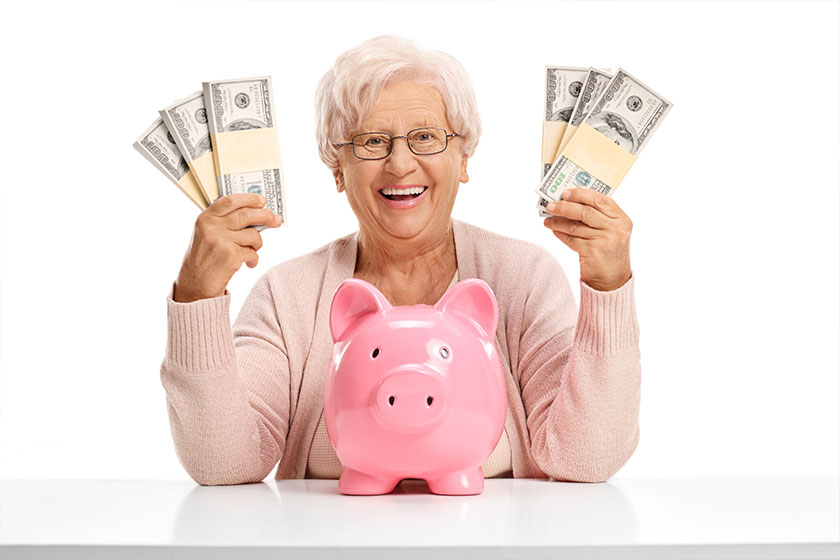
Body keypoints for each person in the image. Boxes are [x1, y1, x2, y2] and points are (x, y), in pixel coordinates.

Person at [161, 35, 640, 486]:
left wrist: (609, 283)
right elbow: (222, 464)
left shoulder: (524, 278)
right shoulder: (287, 295)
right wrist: (196, 295)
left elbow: (587, 458)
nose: (400, 164)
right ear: (337, 169)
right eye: (371, 141)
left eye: (426, 137)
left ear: (464, 158)